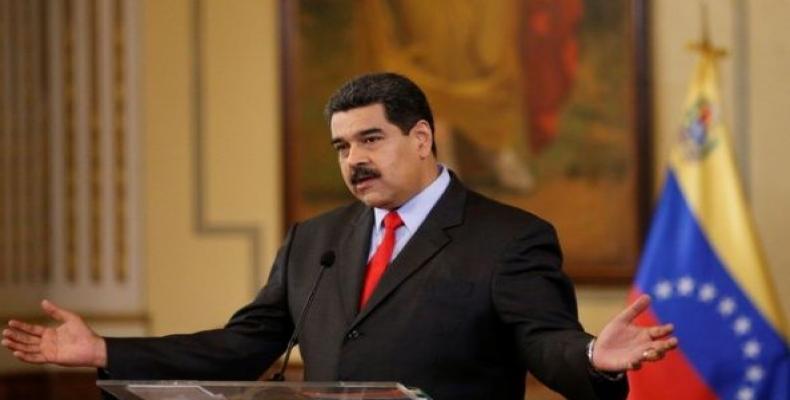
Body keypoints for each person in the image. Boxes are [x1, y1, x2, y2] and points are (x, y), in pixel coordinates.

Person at [2, 72, 677, 400]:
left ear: (421, 137)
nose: (353, 159)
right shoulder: (314, 240)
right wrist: (104, 350)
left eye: (370, 139)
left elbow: (542, 342)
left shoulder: (508, 237)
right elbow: (245, 346)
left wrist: (590, 354)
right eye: (340, 146)